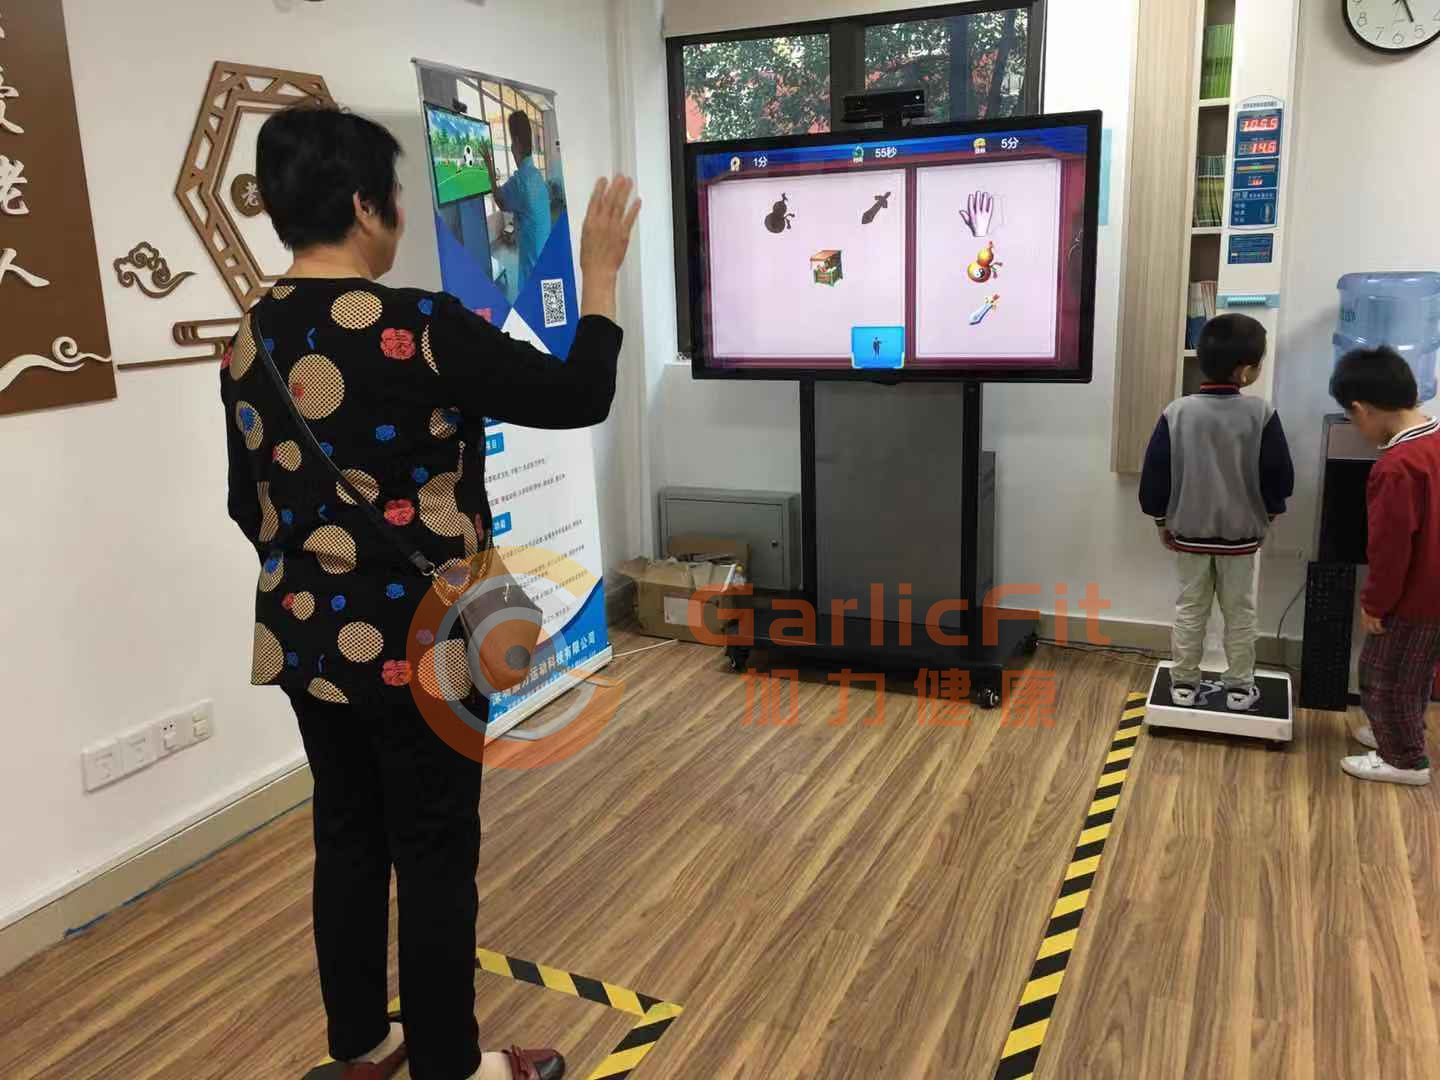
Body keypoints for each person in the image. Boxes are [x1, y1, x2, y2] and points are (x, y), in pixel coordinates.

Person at [223, 104, 639, 1080]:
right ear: (364, 206)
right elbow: (580, 395)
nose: (401, 213)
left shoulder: (248, 339)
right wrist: (600, 276)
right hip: (428, 643)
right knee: (436, 849)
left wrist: (330, 573)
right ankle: (454, 1067)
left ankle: (363, 1049)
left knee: (347, 836)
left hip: (306, 638)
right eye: (395, 196)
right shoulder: (417, 326)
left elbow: (247, 504)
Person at [1139, 313, 1294, 710]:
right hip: (1241, 539)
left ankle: (1183, 684)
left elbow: (1156, 474)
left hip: (1188, 534)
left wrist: (1160, 519)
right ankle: (1240, 686)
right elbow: (1278, 475)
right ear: (1245, 372)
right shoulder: (1261, 413)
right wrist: (1270, 514)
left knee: (1190, 609)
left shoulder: (1176, 412)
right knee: (1240, 613)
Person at [1329, 346, 1437, 786]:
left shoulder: (1396, 467)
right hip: (1432, 592)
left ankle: (1405, 760)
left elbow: (1390, 548)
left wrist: (1375, 603)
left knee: (1383, 676)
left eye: (1352, 419)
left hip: (1415, 597)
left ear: (1362, 409)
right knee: (1415, 672)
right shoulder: (1433, 440)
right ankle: (1392, 733)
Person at [483, 112, 553, 285]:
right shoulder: (536, 176)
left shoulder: (521, 181)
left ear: (516, 143)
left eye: (511, 142)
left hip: (533, 271)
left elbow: (500, 201)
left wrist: (490, 169)